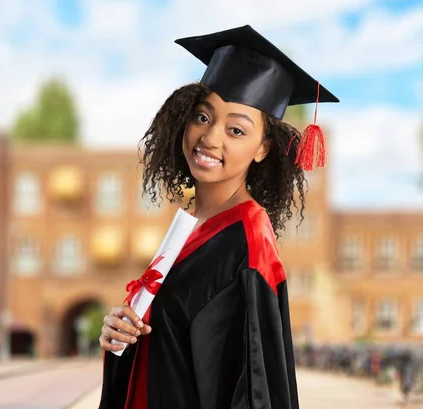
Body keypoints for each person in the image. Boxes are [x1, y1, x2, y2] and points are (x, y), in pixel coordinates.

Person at [98, 24, 339, 409]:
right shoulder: (190, 227)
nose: (211, 139)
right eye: (203, 117)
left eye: (236, 130)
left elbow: (252, 388)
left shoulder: (247, 243)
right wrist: (119, 335)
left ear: (263, 148)